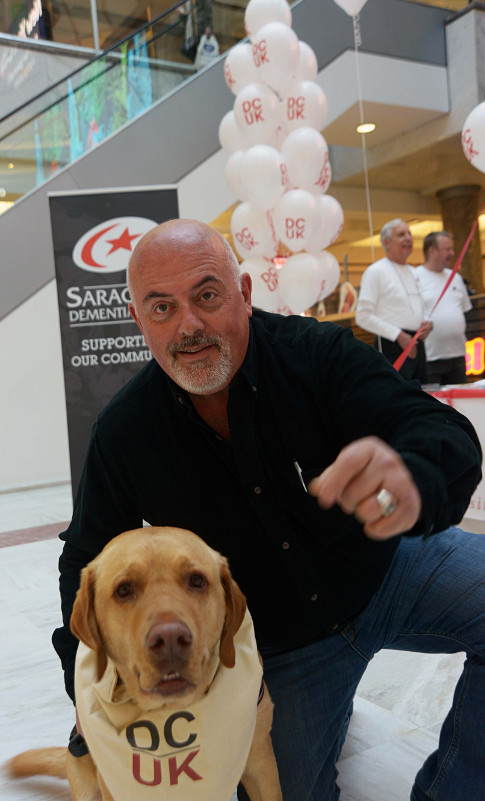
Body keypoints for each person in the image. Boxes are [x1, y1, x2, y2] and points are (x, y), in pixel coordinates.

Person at [52, 219, 484, 801]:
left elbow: (441, 429)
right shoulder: (126, 432)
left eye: (206, 295)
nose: (188, 325)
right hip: (285, 646)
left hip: (389, 570)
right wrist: (81, 688)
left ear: (245, 294)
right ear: (140, 322)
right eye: (162, 308)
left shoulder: (316, 356)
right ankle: (334, 702)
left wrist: (414, 475)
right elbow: (83, 557)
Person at [356, 218, 433, 384]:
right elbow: (362, 316)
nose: (408, 238)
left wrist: (426, 322)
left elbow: (418, 308)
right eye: (401, 234)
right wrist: (398, 335)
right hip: (391, 344)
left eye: (409, 233)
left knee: (424, 398)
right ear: (387, 242)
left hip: (417, 343)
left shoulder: (413, 272)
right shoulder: (375, 271)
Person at [416, 231, 472, 385]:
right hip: (431, 357)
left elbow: (463, 310)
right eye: (447, 249)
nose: (452, 253)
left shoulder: (456, 277)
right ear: (432, 251)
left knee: (460, 405)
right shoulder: (416, 277)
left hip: (458, 355)